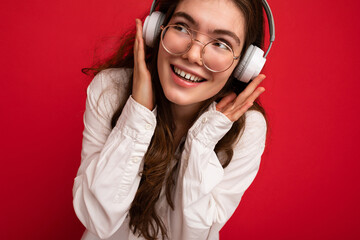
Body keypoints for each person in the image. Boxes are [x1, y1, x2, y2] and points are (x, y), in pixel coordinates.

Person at [73, 0, 274, 239]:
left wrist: (202, 141)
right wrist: (137, 113)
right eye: (181, 27)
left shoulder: (246, 128)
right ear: (158, 29)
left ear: (243, 65)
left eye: (221, 44)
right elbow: (96, 219)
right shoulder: (112, 90)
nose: (192, 55)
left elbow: (191, 235)